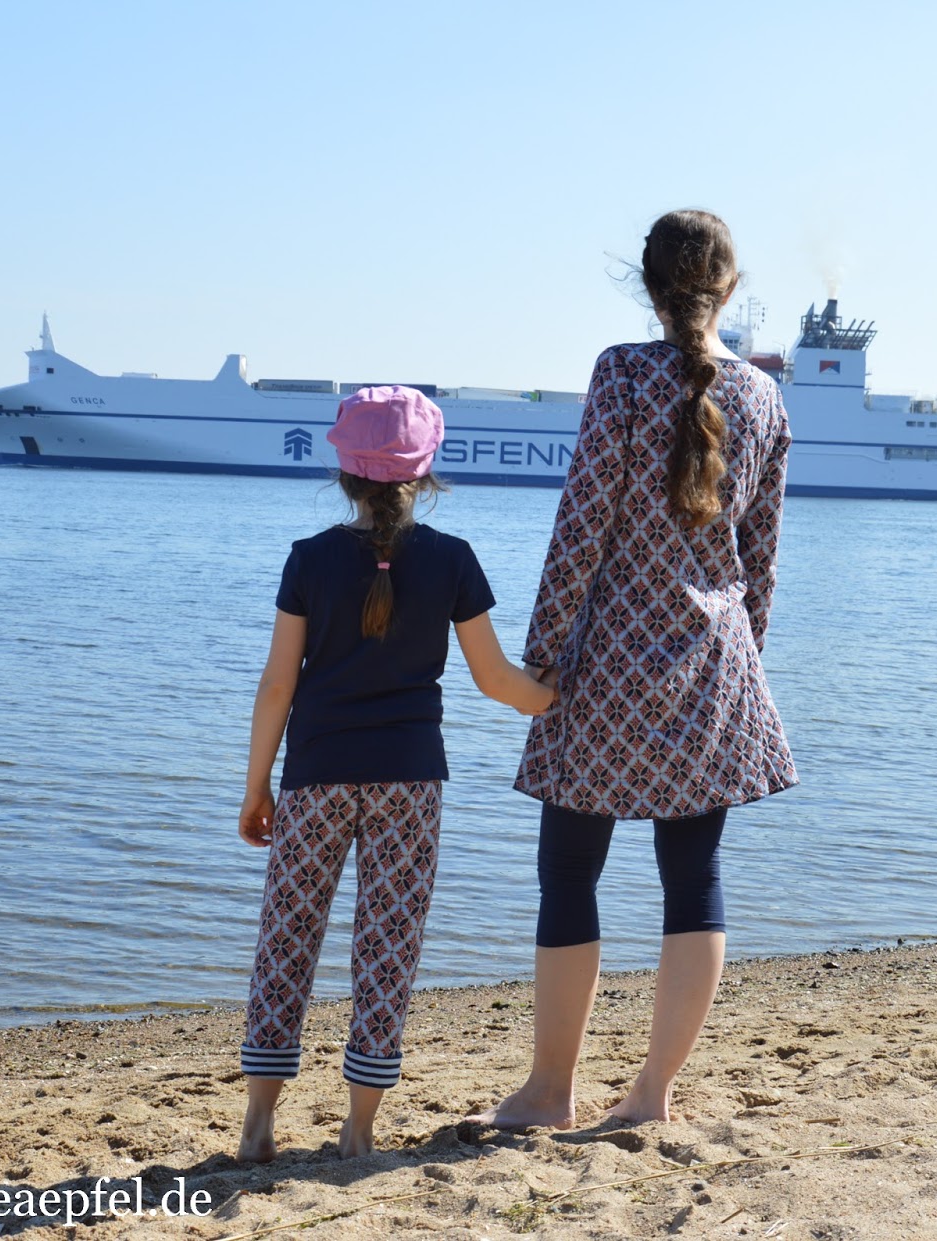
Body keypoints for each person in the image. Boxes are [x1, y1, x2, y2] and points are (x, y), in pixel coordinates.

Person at [469, 209, 798, 1130]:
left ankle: (549, 1091)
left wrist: (540, 660)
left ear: (648, 289)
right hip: (716, 662)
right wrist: (744, 672)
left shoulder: (620, 374)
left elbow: (581, 530)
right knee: (693, 877)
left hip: (605, 662)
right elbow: (760, 562)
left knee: (569, 871)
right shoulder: (769, 400)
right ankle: (651, 1095)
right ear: (728, 287)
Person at [236, 385, 556, 1161]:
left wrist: (256, 785)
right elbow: (493, 679)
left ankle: (257, 1124)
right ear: (424, 475)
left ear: (346, 474)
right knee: (386, 949)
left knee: (287, 941)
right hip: (409, 783)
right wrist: (553, 699)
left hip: (314, 778)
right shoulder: (452, 560)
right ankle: (359, 1128)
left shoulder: (309, 558)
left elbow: (278, 682)